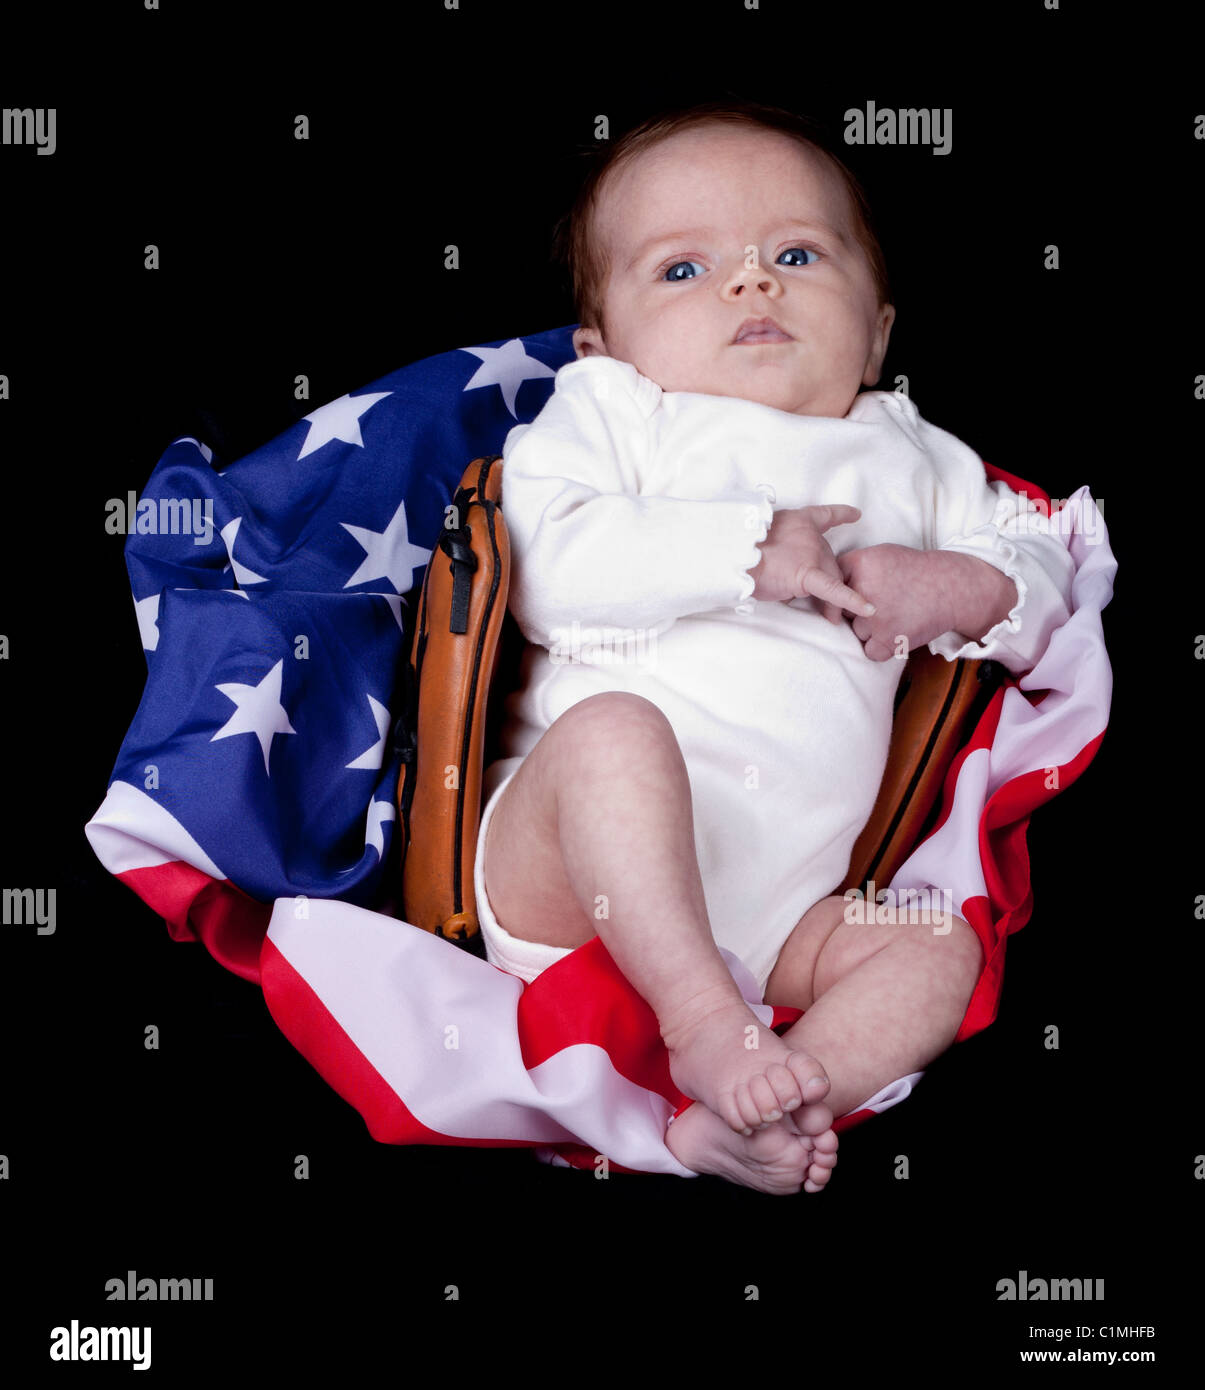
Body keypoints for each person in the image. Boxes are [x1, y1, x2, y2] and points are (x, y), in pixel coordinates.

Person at [474, 101, 1075, 1195]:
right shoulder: (619, 413)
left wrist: (964, 580)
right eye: (681, 270)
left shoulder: (915, 457)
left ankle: (782, 1099)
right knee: (614, 732)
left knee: (933, 940)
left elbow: (1047, 576)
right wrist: (747, 550)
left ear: (878, 330)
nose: (751, 283)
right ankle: (703, 1025)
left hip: (781, 915)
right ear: (603, 342)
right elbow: (544, 566)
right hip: (570, 875)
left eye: (795, 253)